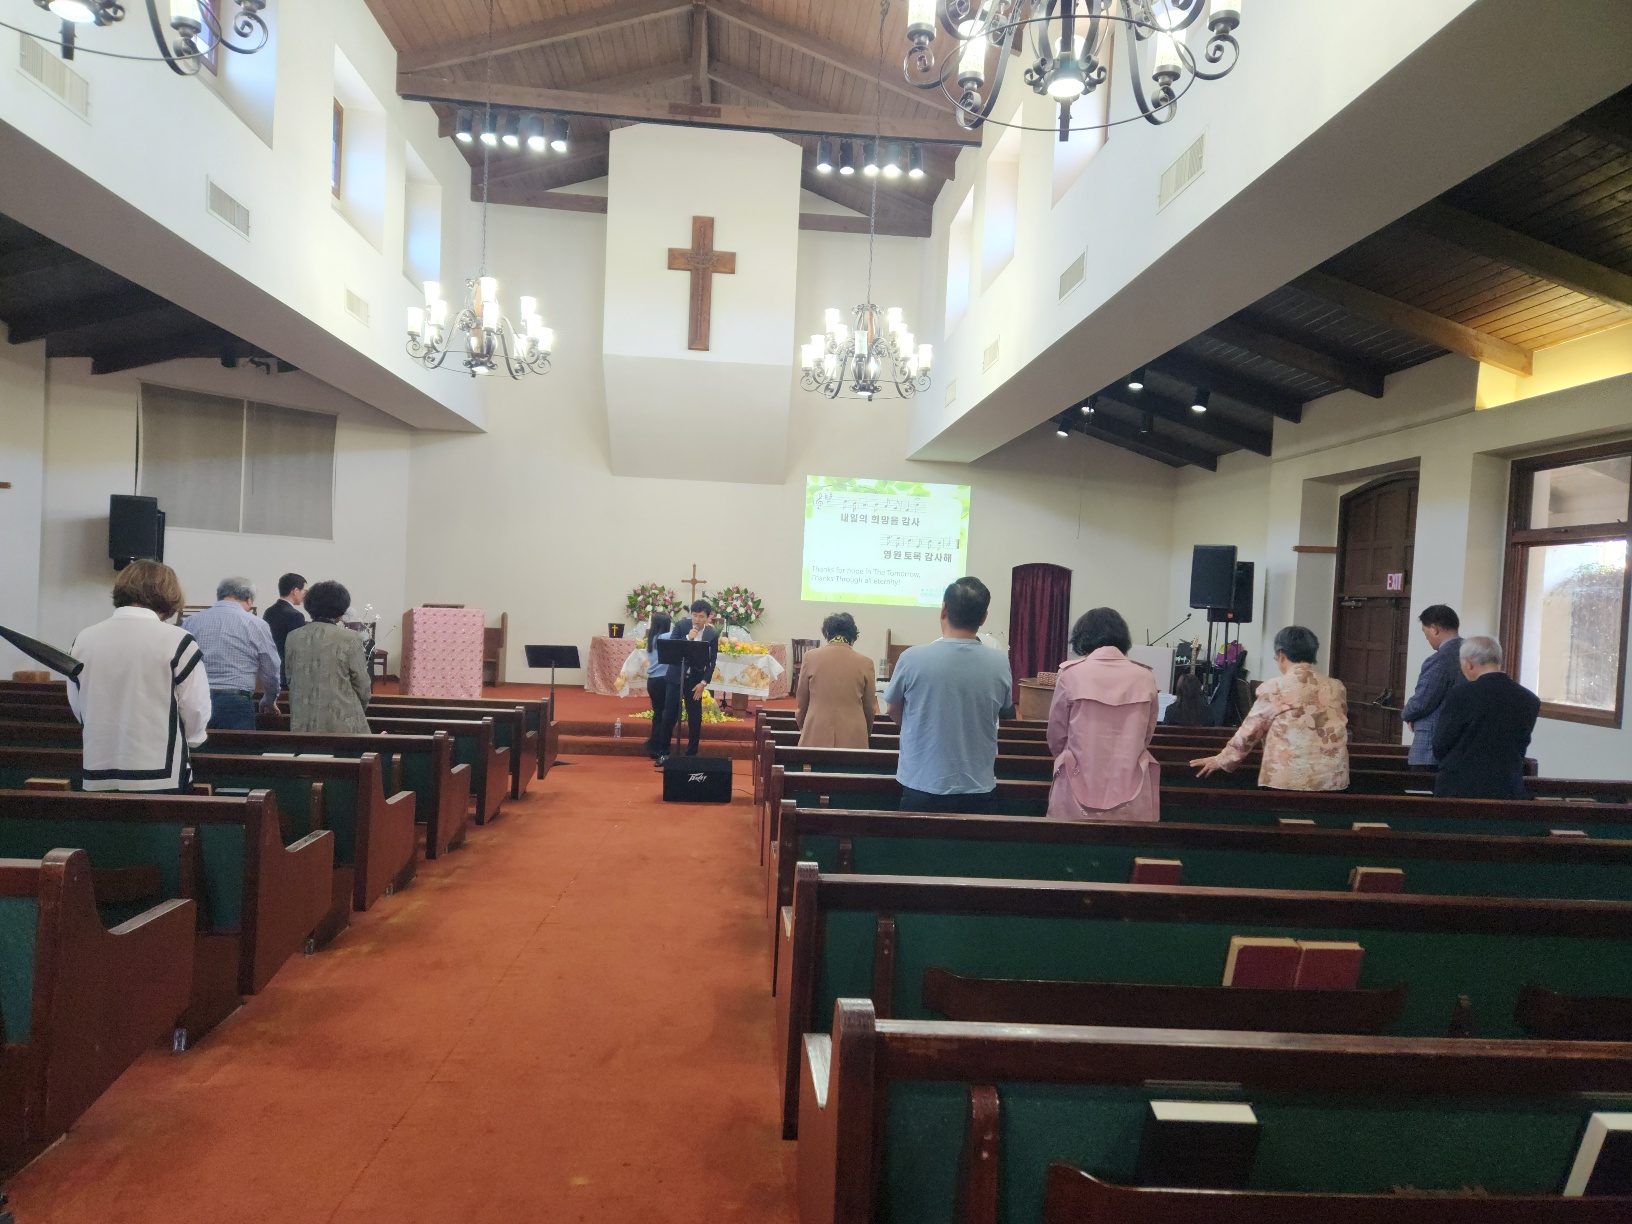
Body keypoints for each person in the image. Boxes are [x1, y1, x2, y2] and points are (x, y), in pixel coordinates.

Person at [67, 561, 211, 792]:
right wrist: (195, 738)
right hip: (160, 774)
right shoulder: (178, 640)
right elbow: (194, 707)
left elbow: (79, 706)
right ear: (170, 594)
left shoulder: (83, 639)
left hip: (98, 768)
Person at [883, 577, 1013, 813]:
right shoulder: (1000, 663)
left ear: (943, 610)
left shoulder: (911, 658)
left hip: (921, 783)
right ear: (984, 618)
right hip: (978, 787)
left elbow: (892, 709)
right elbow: (1003, 710)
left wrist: (921, 727)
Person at [1192, 625, 1349, 791]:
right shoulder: (1336, 687)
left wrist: (1222, 760)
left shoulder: (1275, 687)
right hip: (1333, 780)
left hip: (1288, 779)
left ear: (1281, 655)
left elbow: (1251, 730)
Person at [1047, 607, 1160, 821]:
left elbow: (1056, 735)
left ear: (1082, 638)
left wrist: (1069, 759)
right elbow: (1147, 734)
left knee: (1071, 840)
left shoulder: (1071, 674)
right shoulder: (1145, 677)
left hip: (1077, 783)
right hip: (1131, 786)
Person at [1431, 636, 1540, 800]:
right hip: (1507, 789)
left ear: (1469, 663)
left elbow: (1440, 745)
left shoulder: (1460, 695)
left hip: (1459, 789)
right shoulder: (1529, 699)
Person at [182, 577, 282, 731]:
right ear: (249, 599)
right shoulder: (256, 624)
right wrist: (269, 699)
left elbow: (181, 661)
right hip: (236, 702)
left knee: (195, 746)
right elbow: (271, 667)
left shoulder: (191, 621)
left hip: (196, 698)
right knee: (236, 746)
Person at [284, 580, 371, 734]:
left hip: (303, 722)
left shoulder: (293, 637)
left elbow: (290, 678)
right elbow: (362, 684)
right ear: (341, 608)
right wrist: (360, 707)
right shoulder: (350, 638)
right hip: (342, 721)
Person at [797, 612, 877, 749]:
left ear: (827, 633)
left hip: (816, 732)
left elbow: (802, 701)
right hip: (854, 736)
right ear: (853, 635)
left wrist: (805, 728)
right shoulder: (866, 663)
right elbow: (869, 708)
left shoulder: (810, 657)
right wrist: (865, 733)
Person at [1400, 604, 1465, 768]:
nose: (1427, 638)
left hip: (1431, 746)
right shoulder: (1472, 654)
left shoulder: (1439, 660)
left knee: (1423, 782)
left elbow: (1422, 701)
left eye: (1425, 632)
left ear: (1434, 629)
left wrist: (1407, 714)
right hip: (1460, 743)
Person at [656, 600, 719, 764]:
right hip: (675, 678)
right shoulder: (681, 626)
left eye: (701, 616)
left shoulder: (712, 634)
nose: (697, 620)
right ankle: (664, 753)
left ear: (708, 618)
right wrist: (688, 638)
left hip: (695, 681)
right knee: (669, 715)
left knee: (695, 718)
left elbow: (712, 661)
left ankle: (691, 755)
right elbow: (671, 646)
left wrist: (703, 683)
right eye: (695, 615)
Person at [263, 572, 308, 684]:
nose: (304, 595)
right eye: (303, 591)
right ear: (295, 591)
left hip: (270, 667)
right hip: (287, 671)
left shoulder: (269, 611)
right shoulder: (295, 615)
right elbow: (299, 647)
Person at [643, 612, 673, 759]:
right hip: (663, 680)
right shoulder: (665, 637)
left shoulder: (652, 639)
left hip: (653, 681)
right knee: (666, 715)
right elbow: (682, 632)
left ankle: (654, 745)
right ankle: (661, 746)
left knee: (658, 714)